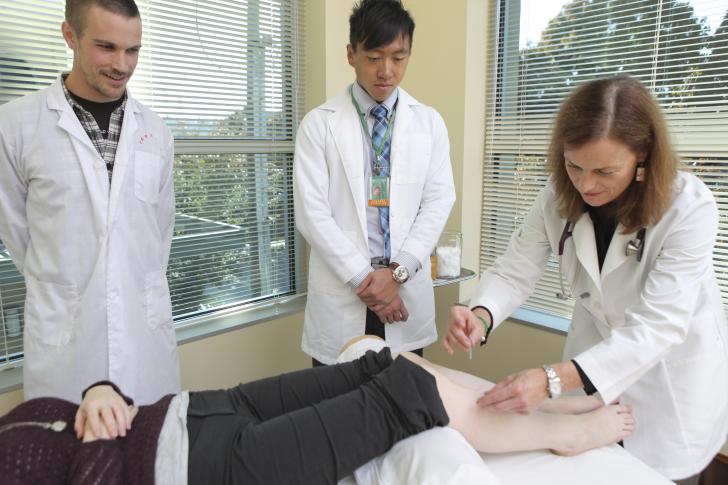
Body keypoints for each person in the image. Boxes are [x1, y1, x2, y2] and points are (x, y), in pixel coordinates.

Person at [443, 75, 728, 484]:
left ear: (643, 154)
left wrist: (552, 379)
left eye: (605, 171)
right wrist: (481, 314)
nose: (586, 184)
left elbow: (658, 327)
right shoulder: (558, 196)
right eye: (573, 165)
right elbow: (515, 269)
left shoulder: (688, 209)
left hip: (670, 381)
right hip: (594, 359)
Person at [0, 336, 635, 485]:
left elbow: (55, 410)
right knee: (410, 401)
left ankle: (563, 421)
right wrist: (93, 439)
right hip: (204, 470)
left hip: (195, 411)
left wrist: (98, 391)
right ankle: (567, 433)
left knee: (387, 365)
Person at [0, 0, 180, 404]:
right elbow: (16, 233)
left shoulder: (156, 132)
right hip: (66, 342)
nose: (123, 64)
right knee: (69, 460)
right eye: (106, 47)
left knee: (149, 455)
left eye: (132, 50)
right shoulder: (15, 127)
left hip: (143, 338)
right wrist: (66, 281)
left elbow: (160, 231)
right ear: (70, 36)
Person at [294, 0, 456, 366]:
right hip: (345, 291)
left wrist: (397, 274)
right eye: (374, 56)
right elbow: (312, 215)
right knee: (336, 411)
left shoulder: (429, 123)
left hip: (404, 291)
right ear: (351, 54)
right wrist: (371, 284)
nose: (386, 71)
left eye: (399, 58)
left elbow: (438, 201)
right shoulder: (318, 125)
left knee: (403, 409)